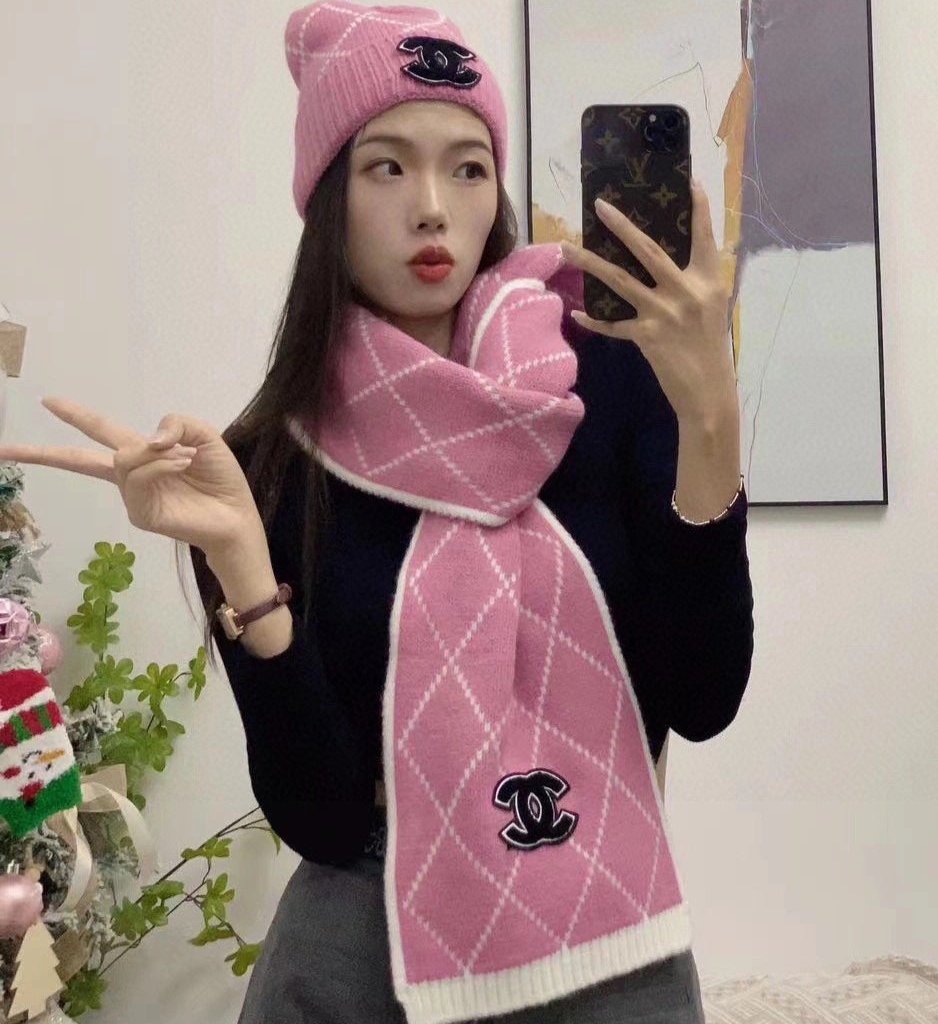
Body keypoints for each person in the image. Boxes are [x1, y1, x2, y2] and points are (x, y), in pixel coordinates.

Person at [0, 3, 754, 1022]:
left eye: (469, 168)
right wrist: (241, 563)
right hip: (363, 943)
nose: (433, 208)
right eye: (387, 167)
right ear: (329, 197)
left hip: (607, 923)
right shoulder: (264, 462)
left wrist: (711, 420)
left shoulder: (610, 378)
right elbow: (318, 815)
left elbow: (702, 697)